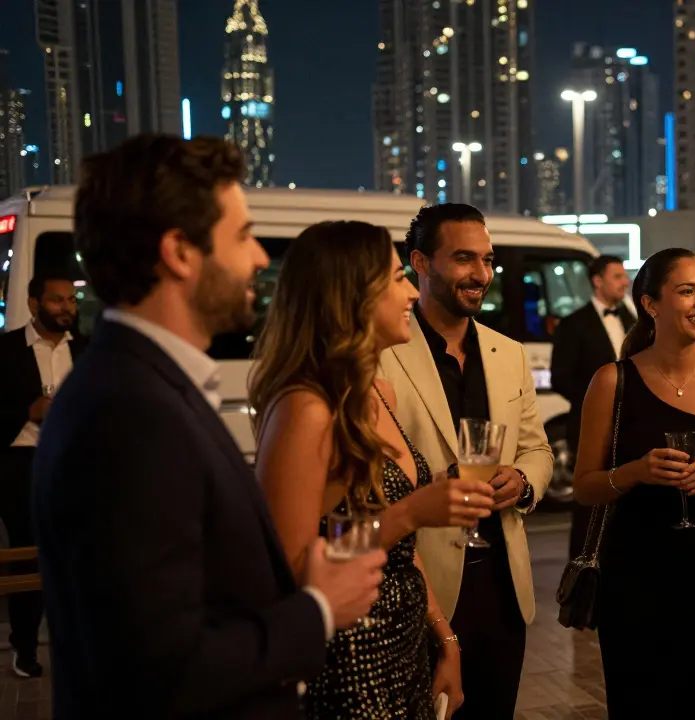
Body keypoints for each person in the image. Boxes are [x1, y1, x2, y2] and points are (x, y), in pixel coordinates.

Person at [31, 134, 386, 718]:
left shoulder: (146, 385)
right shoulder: (129, 412)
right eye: (243, 236)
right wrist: (318, 609)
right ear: (179, 251)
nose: (260, 259)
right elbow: (159, 670)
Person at [251, 221, 498, 719]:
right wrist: (411, 513)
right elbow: (288, 570)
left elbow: (400, 552)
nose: (410, 292)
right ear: (351, 294)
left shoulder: (378, 394)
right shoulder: (306, 408)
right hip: (348, 658)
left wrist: (444, 637)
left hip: (405, 645)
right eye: (397, 277)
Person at [572, 247, 695, 718]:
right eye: (687, 291)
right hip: (634, 573)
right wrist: (635, 472)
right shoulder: (612, 381)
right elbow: (584, 486)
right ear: (650, 304)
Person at [380, 203, 554, 720]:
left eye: (487, 260)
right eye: (463, 259)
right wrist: (436, 490)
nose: (481, 274)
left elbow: (538, 449)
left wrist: (521, 481)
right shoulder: (383, 352)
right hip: (421, 587)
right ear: (420, 263)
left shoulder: (509, 353)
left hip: (502, 585)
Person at [0, 272, 84, 678]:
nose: (66, 308)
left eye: (71, 300)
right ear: (34, 304)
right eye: (57, 300)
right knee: (30, 553)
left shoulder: (86, 349)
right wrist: (29, 411)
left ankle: (77, 642)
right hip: (23, 463)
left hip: (75, 463)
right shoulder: (6, 351)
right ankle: (25, 645)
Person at [551, 254, 634, 559]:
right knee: (589, 503)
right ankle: (582, 566)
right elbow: (561, 378)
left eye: (624, 276)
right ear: (598, 281)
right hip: (590, 425)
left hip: (631, 424)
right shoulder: (574, 324)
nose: (625, 282)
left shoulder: (632, 320)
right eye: (617, 276)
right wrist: (598, 401)